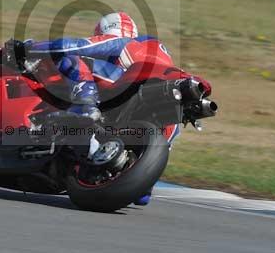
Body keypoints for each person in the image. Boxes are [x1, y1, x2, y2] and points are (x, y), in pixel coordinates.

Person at [18, 12, 175, 205]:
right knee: (142, 194)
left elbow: (75, 46)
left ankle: (85, 108)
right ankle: (139, 177)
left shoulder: (123, 42)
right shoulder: (160, 54)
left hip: (131, 86)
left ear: (106, 30)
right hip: (163, 113)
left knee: (74, 59)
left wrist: (31, 47)